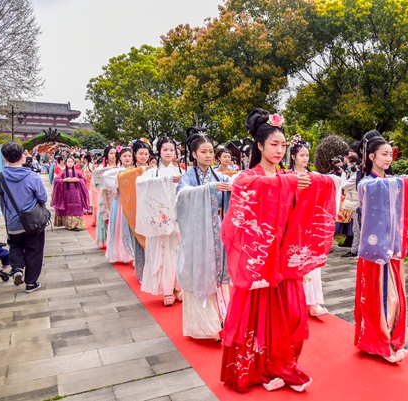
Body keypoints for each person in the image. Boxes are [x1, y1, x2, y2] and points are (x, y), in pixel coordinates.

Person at [220, 109, 336, 392]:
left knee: (292, 314)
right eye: (274, 144)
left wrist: (321, 181)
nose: (279, 149)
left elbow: (308, 199)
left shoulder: (287, 175)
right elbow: (245, 191)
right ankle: (259, 368)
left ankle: (283, 363)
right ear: (259, 146)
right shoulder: (249, 176)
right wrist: (291, 182)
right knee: (258, 314)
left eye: (283, 145)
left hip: (285, 258)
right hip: (261, 259)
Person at [354, 134, 408, 363]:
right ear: (371, 156)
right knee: (383, 298)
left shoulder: (392, 184)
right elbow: (378, 189)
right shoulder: (366, 183)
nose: (388, 158)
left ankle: (390, 339)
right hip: (375, 252)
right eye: (384, 154)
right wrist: (402, 184)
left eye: (390, 154)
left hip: (393, 248)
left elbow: (401, 199)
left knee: (395, 298)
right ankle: (381, 344)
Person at [176, 127, 232, 339]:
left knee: (216, 271)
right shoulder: (189, 176)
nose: (208, 155)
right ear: (193, 154)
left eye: (210, 152)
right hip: (197, 232)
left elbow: (230, 190)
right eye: (203, 152)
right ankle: (203, 326)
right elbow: (181, 196)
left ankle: (222, 317)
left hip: (217, 227)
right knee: (201, 270)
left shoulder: (218, 175)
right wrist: (209, 189)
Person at [135, 137, 183, 306]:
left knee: (178, 253)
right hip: (161, 220)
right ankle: (167, 290)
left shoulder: (182, 172)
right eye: (165, 150)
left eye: (172, 150)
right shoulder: (152, 173)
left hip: (178, 218)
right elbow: (139, 184)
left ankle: (178, 286)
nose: (169, 153)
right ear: (159, 152)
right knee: (164, 254)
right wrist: (166, 181)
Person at [0, 142, 47, 293]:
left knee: (15, 246)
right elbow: (43, 198)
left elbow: (2, 199)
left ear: (5, 158)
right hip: (32, 222)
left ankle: (17, 268)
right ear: (22, 156)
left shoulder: (0, 177)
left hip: (12, 221)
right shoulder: (32, 176)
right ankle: (31, 283)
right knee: (34, 251)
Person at [289, 135, 329, 317]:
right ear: (293, 157)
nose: (305, 158)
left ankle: (313, 302)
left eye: (307, 155)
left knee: (312, 263)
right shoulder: (287, 178)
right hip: (293, 225)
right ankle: (296, 301)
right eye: (301, 155)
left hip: (310, 224)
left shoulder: (315, 177)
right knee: (295, 262)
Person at [118, 140, 150, 282]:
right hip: (136, 209)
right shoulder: (129, 172)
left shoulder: (152, 170)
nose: (143, 156)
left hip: (150, 210)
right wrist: (139, 171)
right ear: (135, 154)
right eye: (140, 153)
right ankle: (141, 272)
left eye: (146, 154)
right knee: (138, 242)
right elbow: (121, 179)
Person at [104, 148, 135, 264]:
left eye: (129, 156)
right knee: (122, 227)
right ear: (120, 158)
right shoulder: (117, 171)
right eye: (124, 156)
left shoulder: (135, 170)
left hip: (132, 201)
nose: (127, 158)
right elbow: (106, 179)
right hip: (121, 202)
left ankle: (131, 251)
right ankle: (123, 252)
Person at [51, 156, 89, 231]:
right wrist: (64, 180)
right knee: (68, 207)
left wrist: (78, 180)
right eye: (69, 162)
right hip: (66, 193)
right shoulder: (63, 172)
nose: (70, 163)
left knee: (77, 206)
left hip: (76, 193)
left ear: (74, 163)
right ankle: (69, 224)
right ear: (66, 163)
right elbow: (56, 180)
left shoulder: (78, 172)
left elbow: (84, 179)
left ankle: (78, 224)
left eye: (72, 162)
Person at [93, 146, 118, 248]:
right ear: (107, 155)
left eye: (115, 153)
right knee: (105, 214)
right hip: (106, 193)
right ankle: (105, 239)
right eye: (111, 153)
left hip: (117, 193)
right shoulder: (102, 168)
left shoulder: (119, 166)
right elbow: (96, 177)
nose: (113, 155)